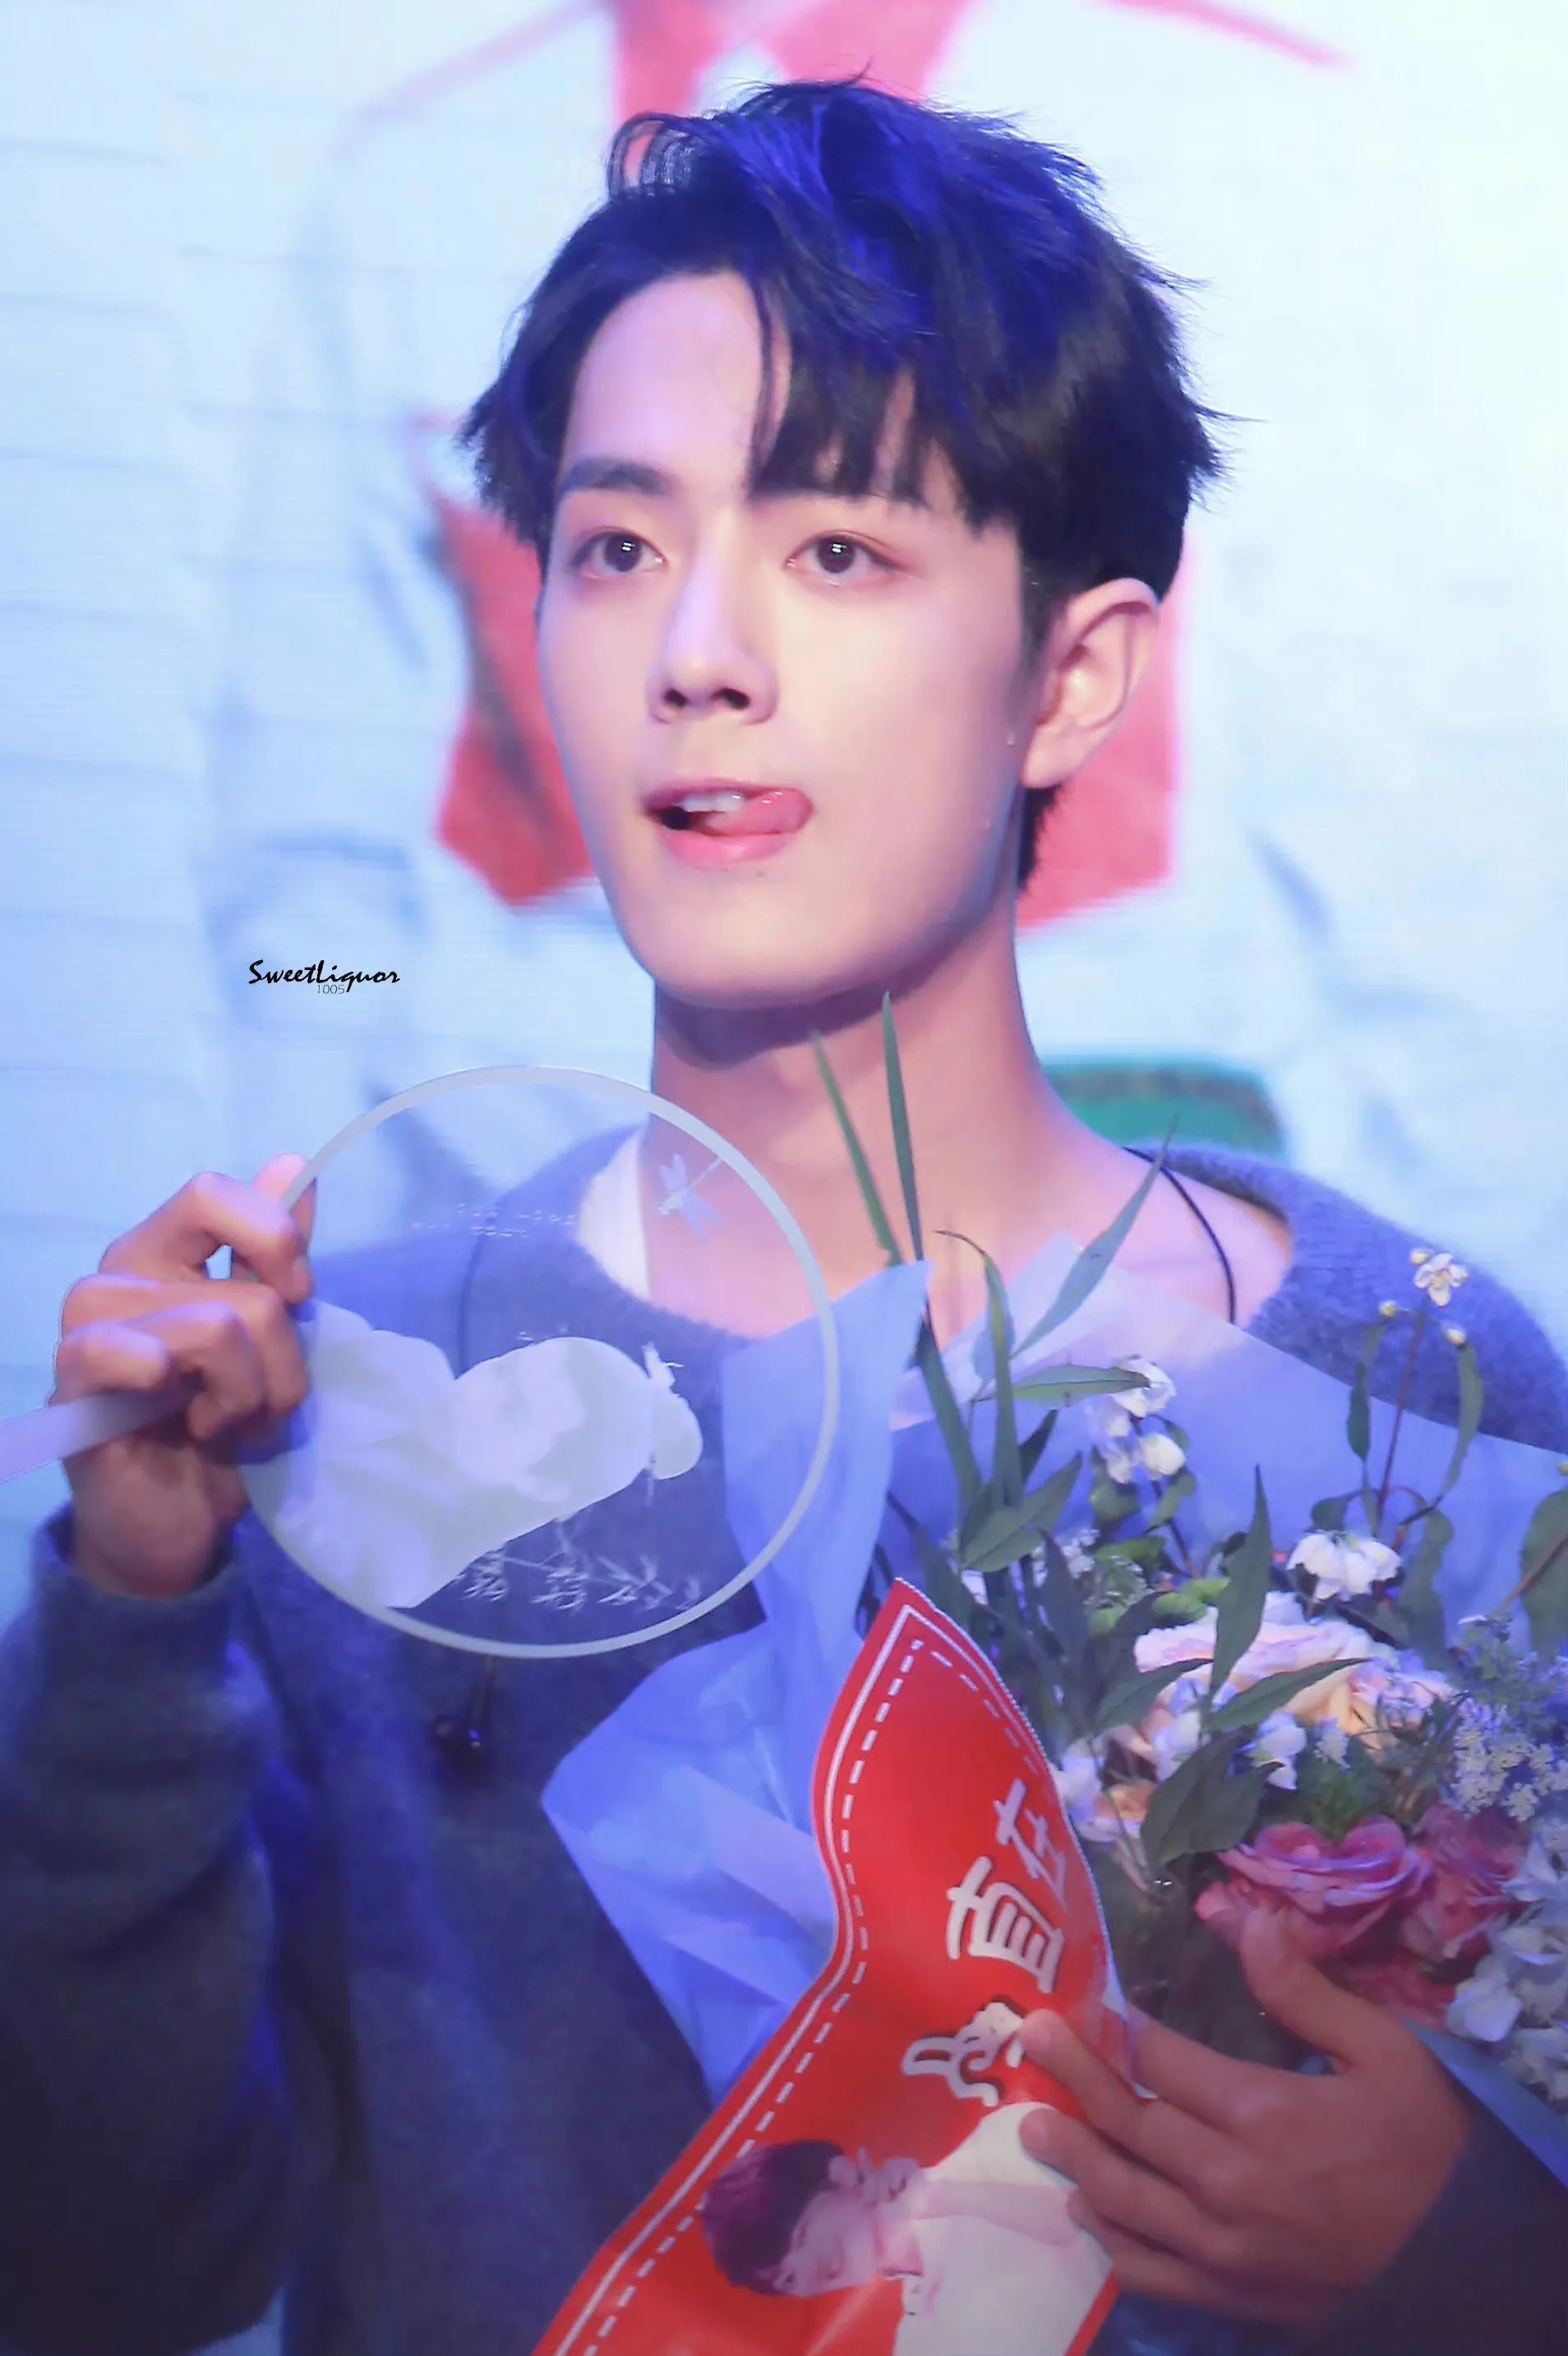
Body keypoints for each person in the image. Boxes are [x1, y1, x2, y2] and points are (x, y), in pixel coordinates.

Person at [3, 77, 1566, 2356]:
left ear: (1072, 675)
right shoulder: (347, 1409)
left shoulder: (1406, 1387)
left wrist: (1474, 2245)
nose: (696, 652)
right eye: (614, 549)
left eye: (835, 551)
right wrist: (133, 1613)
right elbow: (110, 2275)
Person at [701, 2111, 1111, 2354]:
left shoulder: (996, 2139)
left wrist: (945, 2197)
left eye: (802, 2239)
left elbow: (1098, 2221)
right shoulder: (915, 2343)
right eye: (788, 2279)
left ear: (839, 2175)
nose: (812, 2271)